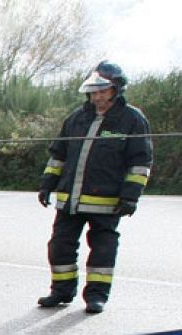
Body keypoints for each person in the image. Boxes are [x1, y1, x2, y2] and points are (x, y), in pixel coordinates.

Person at [37, 61, 152, 314]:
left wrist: (130, 197)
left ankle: (96, 296)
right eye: (94, 91)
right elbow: (58, 155)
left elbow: (140, 162)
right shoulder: (76, 119)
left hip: (106, 202)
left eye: (103, 91)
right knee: (59, 246)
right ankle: (61, 291)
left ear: (116, 89)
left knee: (102, 249)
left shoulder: (132, 120)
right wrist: (47, 185)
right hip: (69, 200)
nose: (97, 96)